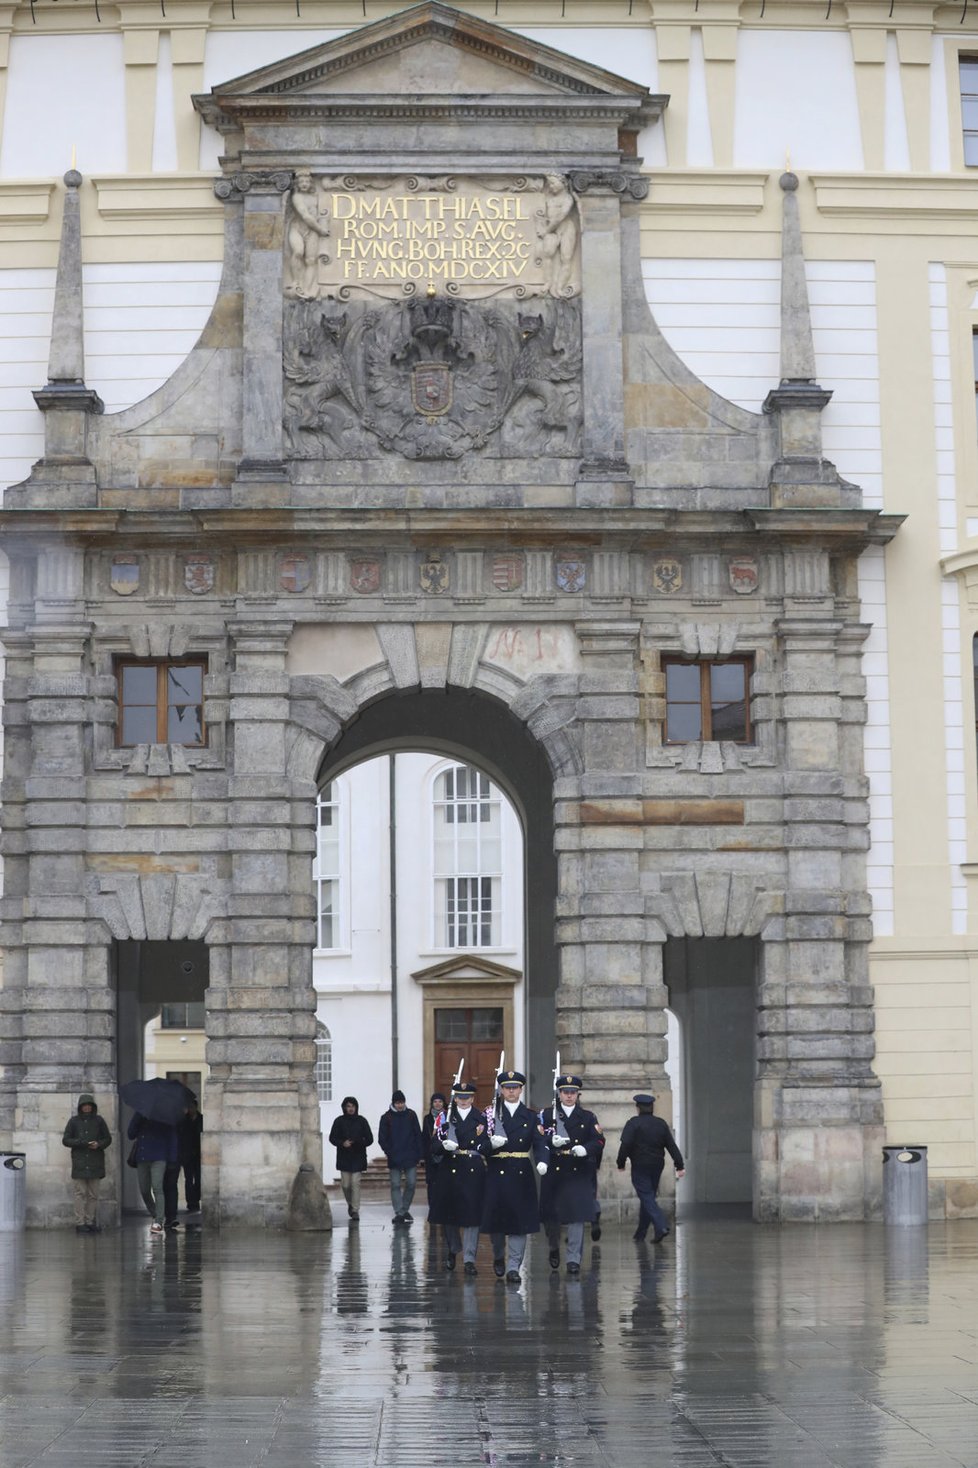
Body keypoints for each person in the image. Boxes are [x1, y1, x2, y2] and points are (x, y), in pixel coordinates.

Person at [480, 1069, 548, 1283]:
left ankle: (513, 1267)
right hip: (496, 1170)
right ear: (501, 1090)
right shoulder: (490, 1114)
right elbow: (479, 1145)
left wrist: (543, 1160)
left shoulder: (530, 1115)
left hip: (520, 1171)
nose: (511, 1091)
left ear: (520, 1090)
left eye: (515, 1088)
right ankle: (499, 1255)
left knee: (520, 1223)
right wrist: (491, 1144)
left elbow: (539, 1142)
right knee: (498, 1222)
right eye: (507, 1088)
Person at [539, 1074, 604, 1275]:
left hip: (577, 1169)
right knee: (552, 1217)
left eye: (573, 1093)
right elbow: (537, 1140)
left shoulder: (587, 1117)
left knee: (577, 1216)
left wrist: (586, 1149)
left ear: (578, 1094)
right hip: (555, 1170)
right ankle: (553, 1247)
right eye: (565, 1092)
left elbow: (599, 1141)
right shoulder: (547, 1115)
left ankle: (574, 1259)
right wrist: (550, 1143)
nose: (569, 1096)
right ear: (559, 1094)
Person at [429, 1079, 491, 1275]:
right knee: (450, 1215)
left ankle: (470, 1259)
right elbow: (433, 1144)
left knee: (473, 1216)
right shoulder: (444, 1118)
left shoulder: (481, 1118)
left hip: (472, 1167)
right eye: (460, 1097)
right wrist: (442, 1146)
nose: (463, 1101)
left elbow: (486, 1142)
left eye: (467, 1097)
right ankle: (453, 1249)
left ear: (472, 1098)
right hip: (451, 1167)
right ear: (455, 1099)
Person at [616, 1092, 685, 1243]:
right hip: (657, 1165)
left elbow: (625, 1146)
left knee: (647, 1197)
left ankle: (661, 1225)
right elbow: (672, 1146)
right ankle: (641, 1233)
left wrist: (620, 1163)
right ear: (652, 1107)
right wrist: (679, 1165)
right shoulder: (661, 1123)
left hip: (640, 1165)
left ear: (638, 1108)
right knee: (648, 1197)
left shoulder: (633, 1123)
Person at [62, 1093, 112, 1234]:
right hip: (80, 1162)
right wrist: (82, 1142)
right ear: (80, 1107)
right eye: (84, 1105)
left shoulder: (99, 1121)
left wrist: (99, 1144)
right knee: (80, 1193)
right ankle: (80, 1222)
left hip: (95, 1161)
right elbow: (66, 1140)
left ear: (93, 1107)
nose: (87, 1107)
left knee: (93, 1194)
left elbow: (107, 1139)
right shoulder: (74, 1121)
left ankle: (90, 1221)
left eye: (89, 1105)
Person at [127, 1111, 179, 1236]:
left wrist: (172, 1159)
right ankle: (156, 1213)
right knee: (144, 1189)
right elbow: (130, 1134)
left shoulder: (165, 1116)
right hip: (143, 1157)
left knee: (157, 1187)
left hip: (159, 1157)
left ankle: (159, 1221)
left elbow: (172, 1137)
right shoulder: (140, 1114)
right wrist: (138, 1117)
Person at [378, 1090, 423, 1226]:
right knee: (395, 1184)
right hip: (395, 1157)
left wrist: (419, 1155)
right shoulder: (386, 1118)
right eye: (397, 1103)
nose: (400, 1105)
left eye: (402, 1102)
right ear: (393, 1103)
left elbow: (417, 1135)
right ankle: (399, 1211)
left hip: (410, 1156)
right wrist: (389, 1152)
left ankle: (404, 1209)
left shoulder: (411, 1115)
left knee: (411, 1183)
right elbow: (382, 1138)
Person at [328, 1096, 373, 1222]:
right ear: (344, 1108)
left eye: (353, 1106)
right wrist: (342, 1143)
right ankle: (351, 1204)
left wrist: (359, 1142)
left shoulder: (362, 1121)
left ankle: (355, 1210)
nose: (351, 1108)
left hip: (358, 1156)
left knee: (355, 1183)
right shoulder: (339, 1121)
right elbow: (332, 1138)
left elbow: (369, 1139)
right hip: (344, 1157)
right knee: (346, 1185)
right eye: (348, 1106)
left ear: (356, 1107)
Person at [177, 1098, 203, 1215]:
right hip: (187, 1154)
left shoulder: (201, 1119)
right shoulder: (183, 1120)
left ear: (196, 1107)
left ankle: (196, 1200)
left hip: (198, 1154)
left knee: (198, 1179)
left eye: (192, 1107)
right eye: (189, 1107)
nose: (191, 1110)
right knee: (188, 1179)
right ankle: (190, 1202)